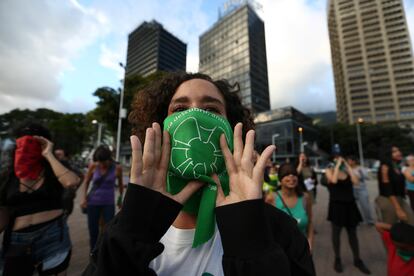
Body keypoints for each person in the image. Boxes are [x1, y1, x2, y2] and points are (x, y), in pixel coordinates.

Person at [82, 72, 315, 276]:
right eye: (180, 109)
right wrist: (132, 235)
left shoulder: (276, 228)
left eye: (211, 109)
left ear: (234, 128)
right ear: (159, 126)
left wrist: (248, 234)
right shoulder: (129, 226)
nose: (193, 118)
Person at [0, 122, 80, 275]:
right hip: (17, 240)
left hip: (53, 235)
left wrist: (49, 154)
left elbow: (71, 182)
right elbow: (3, 213)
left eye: (33, 143)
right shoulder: (8, 176)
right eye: (22, 142)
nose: (26, 147)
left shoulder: (53, 169)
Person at [325, 154, 371, 274]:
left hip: (350, 206)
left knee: (353, 234)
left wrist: (347, 166)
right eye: (336, 159)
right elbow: (334, 181)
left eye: (341, 159)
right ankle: (337, 258)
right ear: (332, 161)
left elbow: (356, 181)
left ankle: (357, 259)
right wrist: (337, 166)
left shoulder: (347, 172)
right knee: (336, 234)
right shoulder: (329, 171)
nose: (339, 161)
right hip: (337, 207)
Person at [80, 145, 124, 252]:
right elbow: (86, 182)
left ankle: (106, 251)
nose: (101, 164)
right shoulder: (93, 166)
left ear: (109, 159)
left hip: (108, 203)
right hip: (93, 203)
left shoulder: (117, 168)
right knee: (93, 229)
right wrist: (84, 198)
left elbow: (121, 185)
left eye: (103, 162)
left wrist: (119, 200)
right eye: (99, 162)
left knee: (109, 229)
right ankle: (93, 252)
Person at [265, 163, 314, 252]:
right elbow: (267, 228)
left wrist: (310, 242)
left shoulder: (305, 197)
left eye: (294, 174)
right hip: (281, 252)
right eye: (286, 174)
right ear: (280, 180)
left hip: (302, 250)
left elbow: (310, 222)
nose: (291, 177)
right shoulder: (271, 198)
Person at [376, 146, 414, 225]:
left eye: (399, 150)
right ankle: (379, 226)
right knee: (391, 227)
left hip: (399, 198)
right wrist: (398, 208)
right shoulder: (384, 167)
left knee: (411, 222)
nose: (399, 153)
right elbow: (387, 188)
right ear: (387, 154)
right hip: (388, 200)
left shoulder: (397, 166)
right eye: (394, 151)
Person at [54, 148, 83, 218]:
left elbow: (81, 176)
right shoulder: (51, 165)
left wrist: (74, 188)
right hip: (54, 198)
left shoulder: (70, 165)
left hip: (66, 198)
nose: (57, 156)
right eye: (55, 155)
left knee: (64, 216)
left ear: (65, 156)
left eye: (59, 155)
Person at [346, 156, 374, 225]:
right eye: (347, 161)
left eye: (349, 160)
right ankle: (357, 220)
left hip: (361, 189)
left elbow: (367, 177)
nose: (348, 162)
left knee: (365, 206)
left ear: (354, 161)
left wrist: (360, 174)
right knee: (354, 207)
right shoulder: (347, 169)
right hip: (351, 189)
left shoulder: (360, 168)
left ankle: (369, 221)